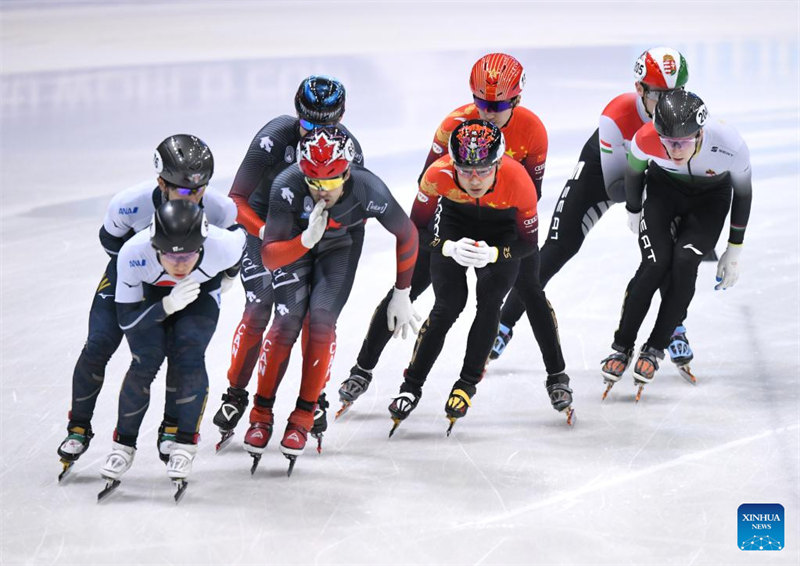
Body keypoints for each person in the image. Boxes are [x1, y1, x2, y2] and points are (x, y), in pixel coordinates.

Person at [338, 53, 570, 422]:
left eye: (498, 106)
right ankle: (361, 369)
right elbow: (426, 187)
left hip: (506, 218)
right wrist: (445, 243)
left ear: (517, 99)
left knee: (529, 289)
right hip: (456, 215)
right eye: (480, 102)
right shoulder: (452, 126)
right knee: (410, 287)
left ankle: (557, 375)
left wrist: (497, 252)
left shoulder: (532, 131)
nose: (487, 112)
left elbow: (529, 196)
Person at [490, 47, 697, 369]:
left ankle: (674, 326)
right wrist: (642, 205)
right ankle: (503, 323)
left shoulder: (689, 114)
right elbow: (616, 187)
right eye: (660, 94)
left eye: (677, 93)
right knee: (559, 247)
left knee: (664, 251)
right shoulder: (616, 115)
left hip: (652, 179)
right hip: (604, 175)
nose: (669, 103)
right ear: (639, 88)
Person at [56, 134, 236, 480]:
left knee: (186, 350)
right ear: (161, 182)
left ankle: (173, 428)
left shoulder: (221, 210)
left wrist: (222, 276)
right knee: (100, 343)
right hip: (138, 272)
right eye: (183, 190)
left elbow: (233, 251)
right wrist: (145, 282)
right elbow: (111, 243)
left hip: (189, 279)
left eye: (199, 189)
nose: (192, 197)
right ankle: (78, 426)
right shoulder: (128, 205)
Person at [243, 125, 419, 475]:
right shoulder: (287, 184)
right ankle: (260, 414)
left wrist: (402, 292)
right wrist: (304, 241)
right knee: (285, 323)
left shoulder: (368, 188)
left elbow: (408, 233)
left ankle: (303, 416)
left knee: (321, 323)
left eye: (331, 181)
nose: (322, 190)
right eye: (314, 181)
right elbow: (270, 257)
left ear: (348, 172)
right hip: (296, 244)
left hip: (340, 246)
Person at [211, 75, 364, 450]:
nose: (317, 132)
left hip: (316, 235)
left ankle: (315, 394)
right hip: (267, 227)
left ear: (341, 117)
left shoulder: (349, 150)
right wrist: (265, 232)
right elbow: (236, 201)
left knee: (318, 316)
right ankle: (235, 393)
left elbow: (354, 212)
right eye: (308, 124)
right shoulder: (275, 137)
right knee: (260, 307)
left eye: (328, 124)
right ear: (297, 115)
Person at [387, 119, 542, 435]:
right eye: (465, 169)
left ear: (498, 163)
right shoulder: (436, 175)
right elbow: (414, 231)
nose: (474, 179)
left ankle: (467, 383)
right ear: (452, 164)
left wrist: (496, 254)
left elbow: (529, 244)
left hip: (501, 232)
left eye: (483, 170)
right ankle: (411, 385)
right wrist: (446, 247)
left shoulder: (519, 180)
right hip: (454, 225)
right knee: (448, 305)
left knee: (490, 302)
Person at [600, 90, 752, 400]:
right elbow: (634, 172)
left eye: (682, 142)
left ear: (700, 133)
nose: (674, 150)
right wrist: (634, 210)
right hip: (664, 192)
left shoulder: (729, 145)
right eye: (668, 142)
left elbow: (743, 193)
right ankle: (622, 345)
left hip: (710, 200)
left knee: (684, 263)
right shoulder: (646, 138)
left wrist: (734, 249)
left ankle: (655, 348)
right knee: (654, 264)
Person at [98, 200, 246, 499]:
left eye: (188, 255)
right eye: (170, 256)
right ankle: (122, 445)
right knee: (144, 361)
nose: (179, 265)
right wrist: (165, 305)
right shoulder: (133, 253)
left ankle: (185, 444)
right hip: (151, 294)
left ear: (202, 246)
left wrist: (230, 276)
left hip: (199, 291)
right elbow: (127, 321)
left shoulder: (223, 245)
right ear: (155, 247)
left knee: (190, 355)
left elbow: (242, 241)